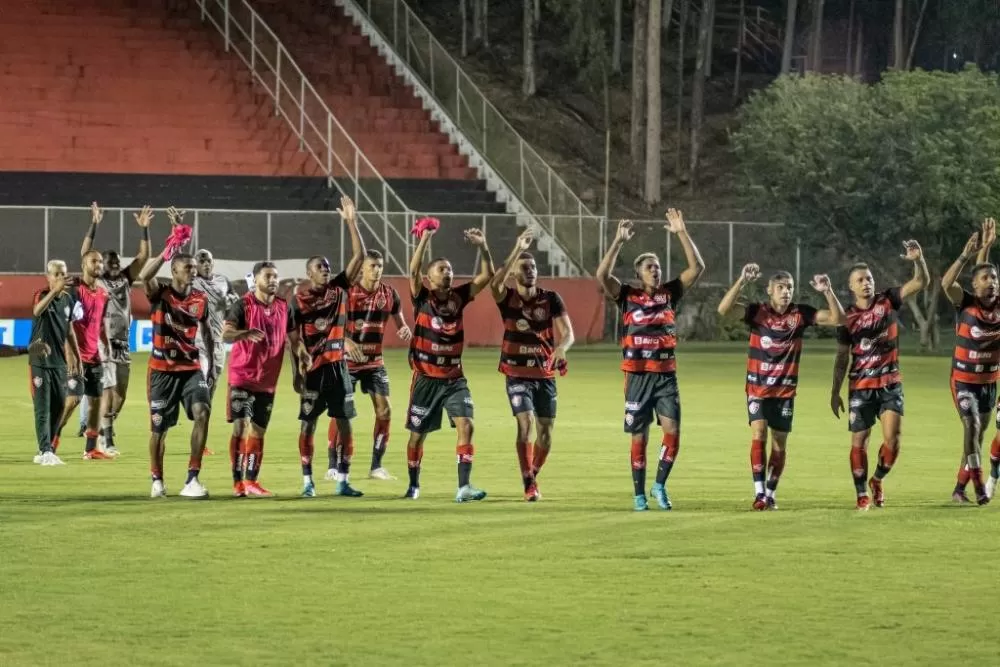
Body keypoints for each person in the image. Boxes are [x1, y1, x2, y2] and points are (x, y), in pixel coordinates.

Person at [595, 210, 706, 511]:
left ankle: (659, 485)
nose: (656, 271)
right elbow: (602, 276)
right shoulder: (627, 295)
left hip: (666, 376)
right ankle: (639, 494)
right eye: (649, 267)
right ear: (639, 273)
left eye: (657, 267)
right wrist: (617, 241)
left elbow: (697, 268)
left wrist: (681, 232)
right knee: (639, 438)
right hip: (638, 376)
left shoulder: (670, 293)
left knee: (673, 432)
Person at [718, 264, 845, 510]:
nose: (786, 292)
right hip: (757, 387)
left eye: (789, 287)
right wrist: (741, 281)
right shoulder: (758, 312)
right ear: (769, 291)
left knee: (779, 443)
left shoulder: (800, 314)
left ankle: (771, 492)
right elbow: (724, 310)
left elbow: (838, 319)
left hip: (785, 391)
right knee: (759, 434)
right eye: (780, 287)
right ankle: (758, 494)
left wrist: (828, 291)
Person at [830, 240, 929, 510]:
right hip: (860, 386)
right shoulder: (846, 317)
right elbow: (842, 357)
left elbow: (920, 283)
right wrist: (834, 391)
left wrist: (918, 261)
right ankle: (861, 493)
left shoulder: (888, 300)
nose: (866, 283)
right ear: (851, 287)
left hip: (890, 383)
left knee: (893, 440)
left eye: (869, 278)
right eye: (860, 280)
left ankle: (877, 479)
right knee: (859, 440)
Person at [403, 225, 494, 502]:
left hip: (454, 378)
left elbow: (488, 276)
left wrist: (483, 245)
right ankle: (414, 484)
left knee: (467, 425)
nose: (448, 272)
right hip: (426, 378)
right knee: (418, 436)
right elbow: (413, 270)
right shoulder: (423, 298)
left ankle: (463, 487)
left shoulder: (459, 297)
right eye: (441, 269)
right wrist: (425, 240)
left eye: (450, 269)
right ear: (429, 277)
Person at [288, 196, 365, 498]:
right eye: (320, 267)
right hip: (314, 372)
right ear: (309, 272)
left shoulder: (338, 289)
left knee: (345, 424)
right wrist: (296, 373)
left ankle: (343, 480)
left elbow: (359, 257)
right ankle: (308, 482)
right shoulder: (299, 300)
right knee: (308, 425)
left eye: (327, 267)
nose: (325, 269)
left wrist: (351, 222)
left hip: (339, 369)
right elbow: (292, 340)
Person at [490, 228, 575, 501]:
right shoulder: (507, 299)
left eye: (534, 266)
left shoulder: (551, 299)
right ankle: (529, 483)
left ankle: (532, 473)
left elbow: (568, 332)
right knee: (524, 423)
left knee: (546, 434)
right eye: (524, 267)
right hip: (516, 373)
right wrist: (517, 248)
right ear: (514, 273)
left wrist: (561, 347)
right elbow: (494, 284)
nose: (531, 270)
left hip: (545, 374)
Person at [138, 208, 215, 498]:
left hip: (190, 369)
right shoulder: (160, 294)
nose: (193, 271)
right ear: (174, 271)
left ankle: (192, 479)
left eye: (195, 268)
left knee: (202, 413)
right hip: (161, 372)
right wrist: (169, 249)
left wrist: (212, 360)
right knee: (159, 429)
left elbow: (206, 329)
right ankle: (157, 479)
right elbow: (145, 274)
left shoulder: (200, 298)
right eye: (188, 268)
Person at [333, 249, 413, 483]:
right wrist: (345, 341)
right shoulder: (348, 293)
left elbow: (399, 319)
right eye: (372, 266)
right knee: (341, 412)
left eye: (380, 265)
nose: (377, 270)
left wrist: (403, 328)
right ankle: (334, 463)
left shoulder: (389, 294)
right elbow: (331, 326)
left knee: (385, 410)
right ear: (362, 269)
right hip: (346, 362)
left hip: (374, 362)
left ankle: (377, 466)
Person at [80, 201, 152, 455]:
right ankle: (105, 439)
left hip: (123, 343)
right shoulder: (97, 281)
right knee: (109, 390)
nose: (112, 264)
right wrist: (94, 224)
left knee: (120, 394)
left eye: (115, 261)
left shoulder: (124, 278)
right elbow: (85, 254)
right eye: (108, 261)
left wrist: (144, 229)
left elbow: (143, 257)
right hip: (103, 341)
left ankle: (104, 429)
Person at [223, 261, 296, 497]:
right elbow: (225, 334)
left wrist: (299, 370)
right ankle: (238, 483)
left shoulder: (285, 307)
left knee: (258, 431)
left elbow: (295, 342)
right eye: (268, 276)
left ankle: (252, 481)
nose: (273, 280)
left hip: (268, 381)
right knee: (241, 426)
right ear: (255, 280)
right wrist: (244, 333)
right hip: (242, 376)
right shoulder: (242, 305)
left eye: (275, 276)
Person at [941, 222, 1000, 505]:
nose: (991, 281)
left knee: (977, 435)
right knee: (972, 427)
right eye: (986, 278)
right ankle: (979, 486)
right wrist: (967, 255)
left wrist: (987, 246)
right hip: (963, 380)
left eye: (995, 278)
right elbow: (945, 284)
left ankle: (958, 489)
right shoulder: (965, 303)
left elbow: (982, 272)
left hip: (989, 382)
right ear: (975, 285)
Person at [59, 248, 112, 460]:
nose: (98, 265)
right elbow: (64, 323)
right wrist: (70, 354)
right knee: (72, 401)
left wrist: (105, 343)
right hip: (76, 356)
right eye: (93, 262)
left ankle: (91, 448)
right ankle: (50, 442)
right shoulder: (74, 289)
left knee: (97, 401)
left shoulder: (103, 293)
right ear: (83, 265)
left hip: (94, 356)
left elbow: (98, 324)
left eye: (100, 262)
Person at [29, 260, 82, 466]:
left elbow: (69, 331)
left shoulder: (68, 300)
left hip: (59, 361)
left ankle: (46, 448)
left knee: (59, 405)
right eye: (56, 274)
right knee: (43, 408)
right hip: (39, 360)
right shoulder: (42, 295)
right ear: (48, 277)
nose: (61, 278)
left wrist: (76, 356)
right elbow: (36, 311)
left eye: (63, 274)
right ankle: (45, 450)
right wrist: (54, 292)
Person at [193, 247, 238, 401]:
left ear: (213, 263)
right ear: (195, 265)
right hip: (198, 342)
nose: (206, 264)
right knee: (202, 377)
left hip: (218, 342)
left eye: (208, 261)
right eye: (201, 261)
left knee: (212, 383)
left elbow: (235, 300)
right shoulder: (191, 282)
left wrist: (228, 301)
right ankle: (196, 406)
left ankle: (203, 414)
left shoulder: (223, 281)